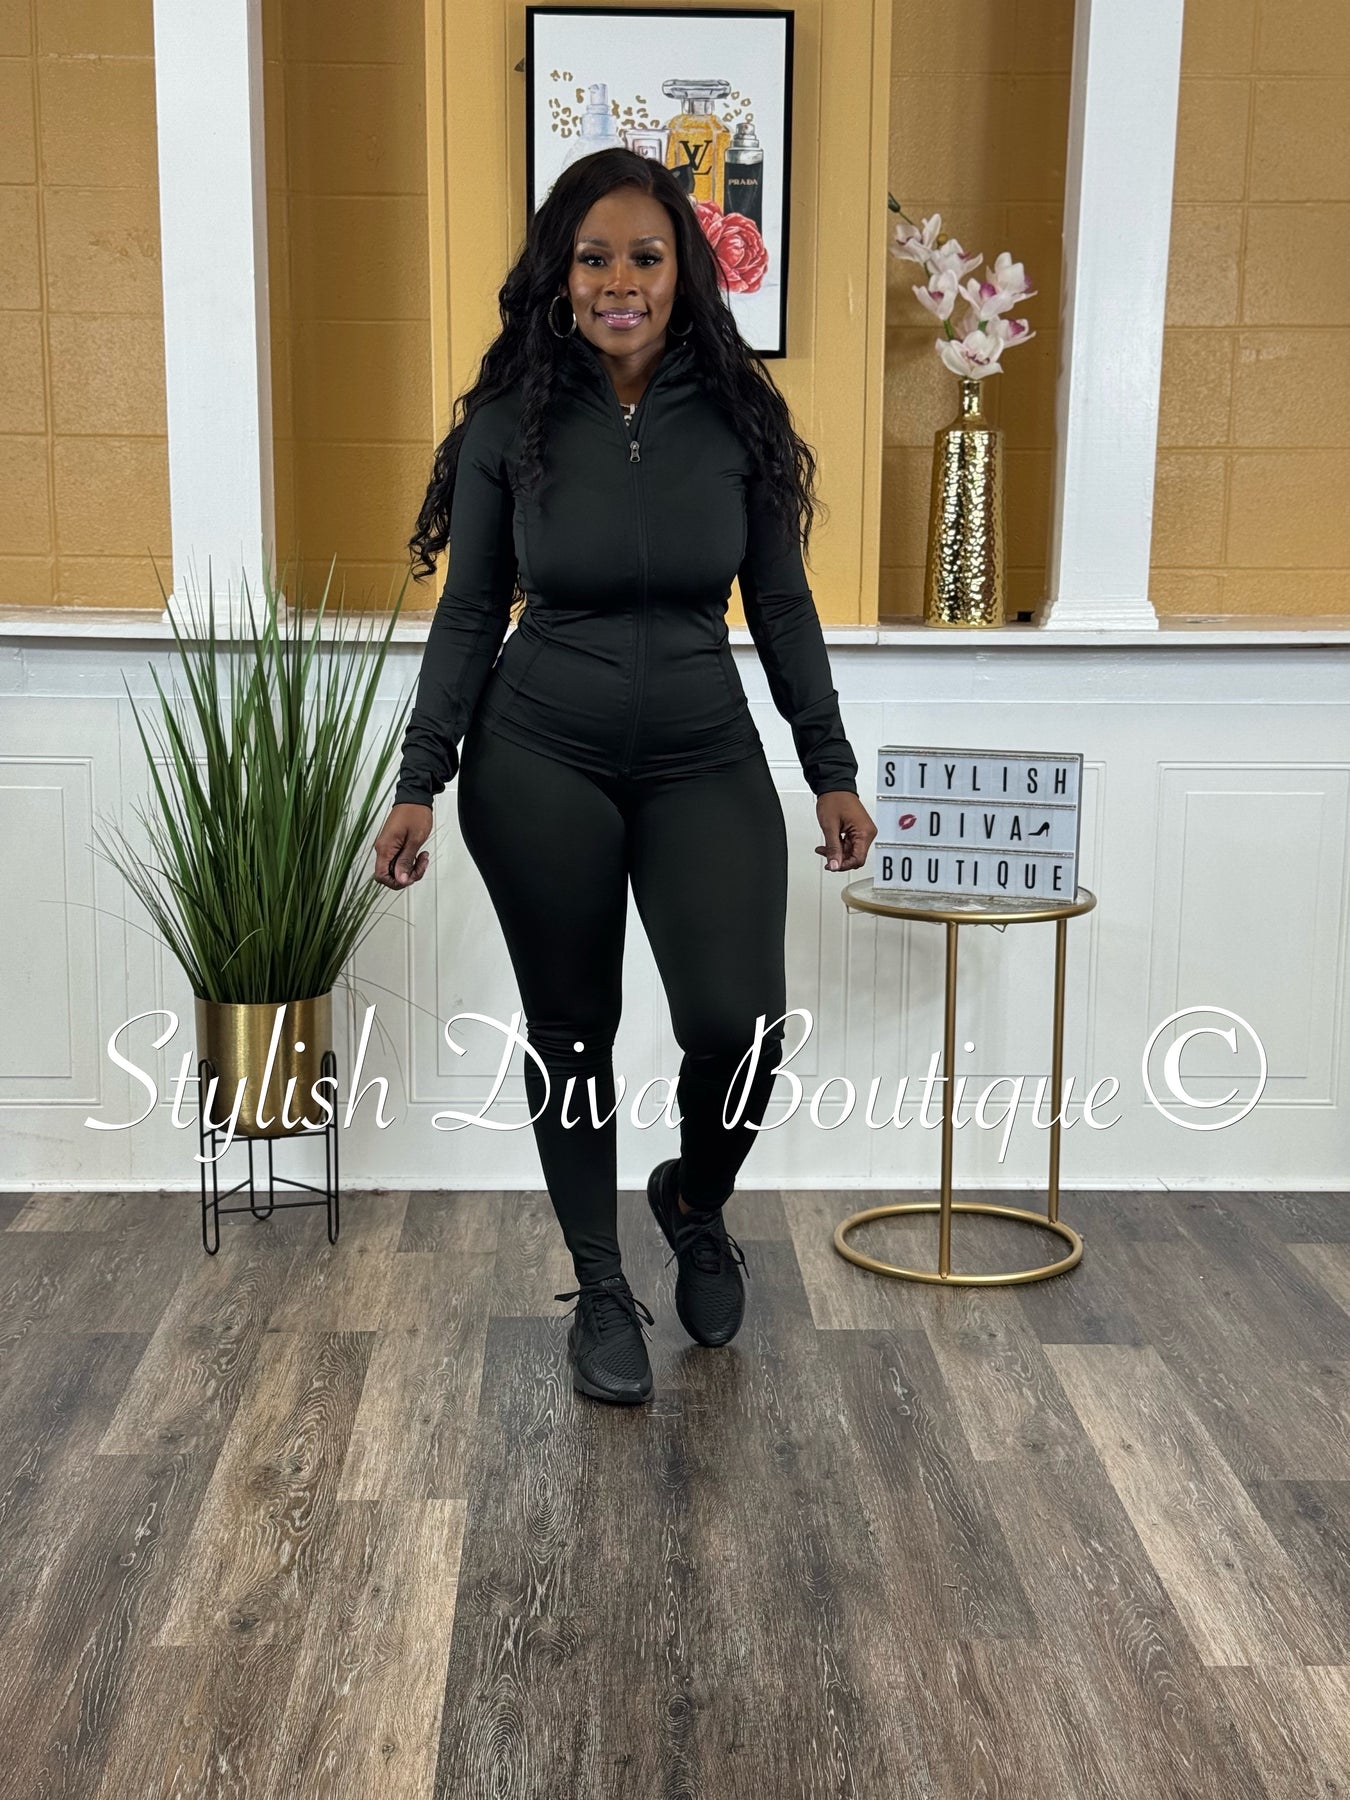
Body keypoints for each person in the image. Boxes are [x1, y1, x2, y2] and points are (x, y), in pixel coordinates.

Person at [372, 148, 876, 1406]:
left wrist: (828, 766)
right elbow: (470, 610)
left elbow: (782, 604)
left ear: (683, 272)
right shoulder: (511, 424)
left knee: (739, 1026)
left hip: (704, 754)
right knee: (571, 1030)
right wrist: (421, 777)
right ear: (561, 276)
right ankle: (601, 1286)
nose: (619, 282)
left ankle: (694, 1201)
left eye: (644, 257)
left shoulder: (740, 418)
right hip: (539, 756)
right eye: (593, 258)